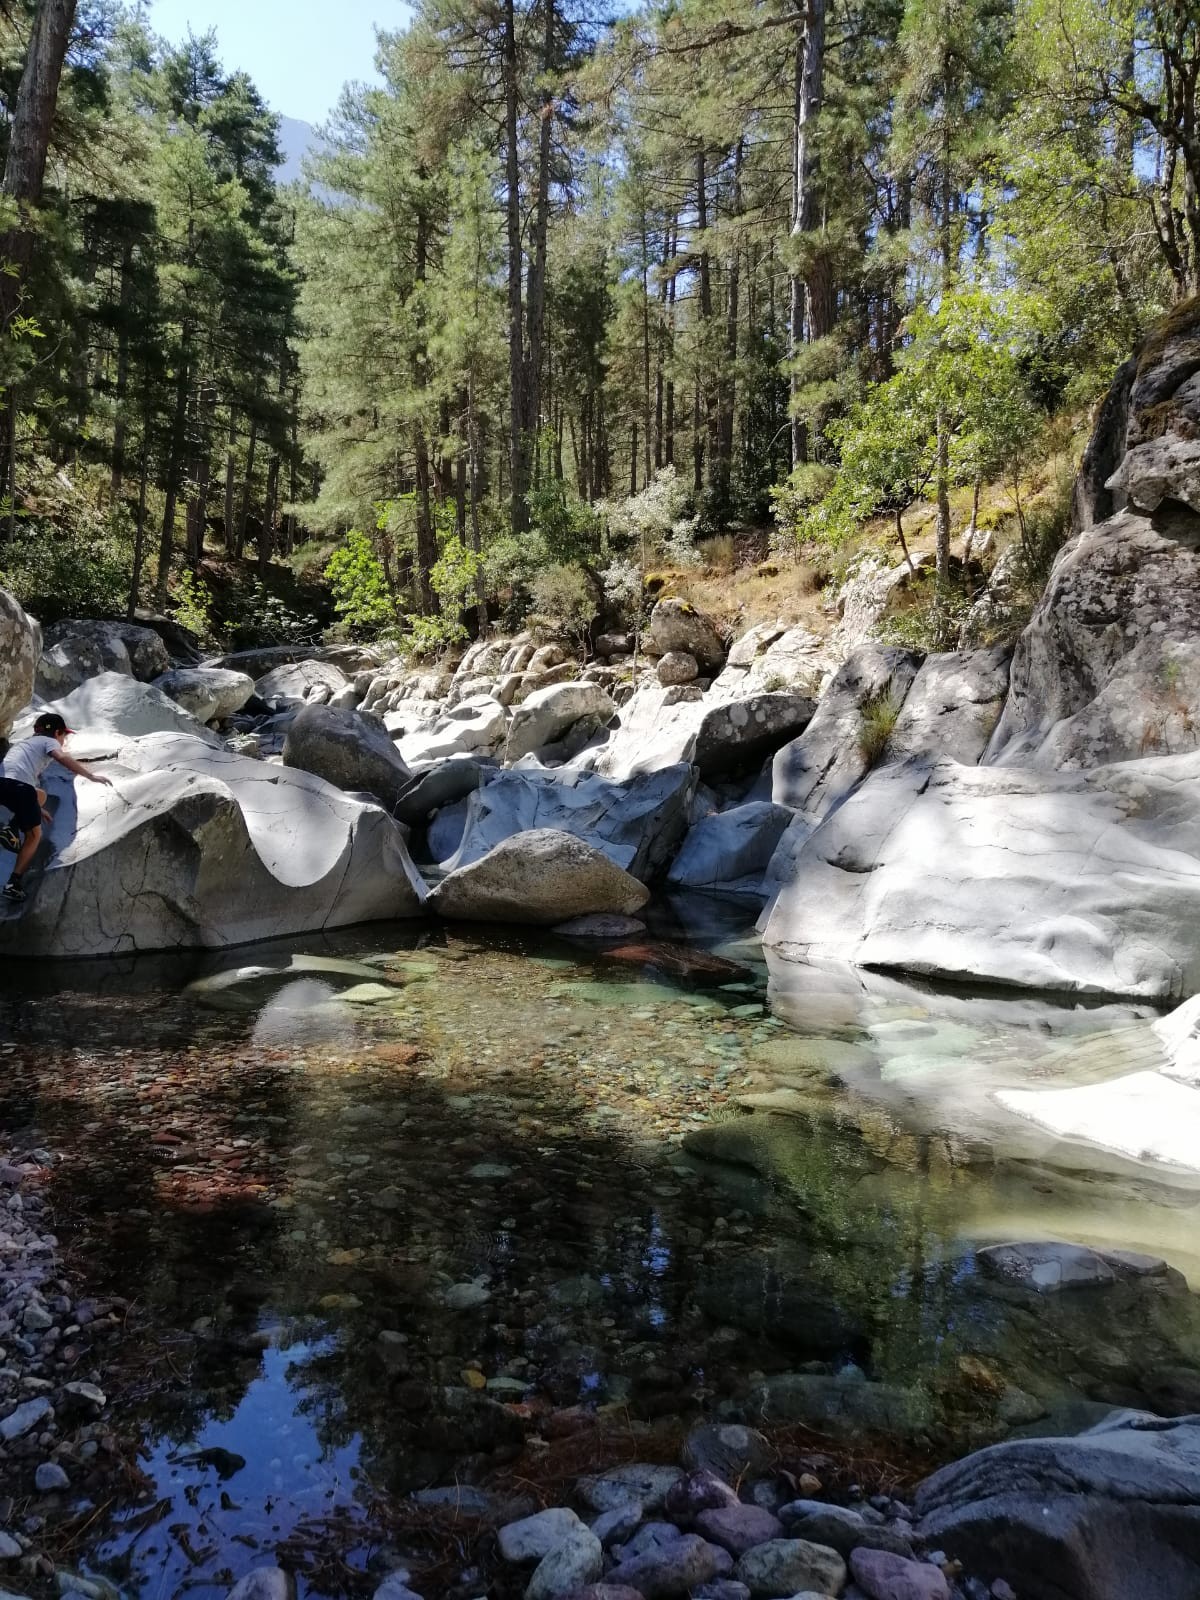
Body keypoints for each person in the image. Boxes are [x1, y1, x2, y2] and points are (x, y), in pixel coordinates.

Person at [0, 713, 113, 903]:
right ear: (57, 732)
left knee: (40, 796)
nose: (64, 741)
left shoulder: (25, 745)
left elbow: (17, 786)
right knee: (34, 836)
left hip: (5, 785)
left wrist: (38, 809)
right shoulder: (48, 742)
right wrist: (90, 776)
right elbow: (61, 757)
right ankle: (13, 883)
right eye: (64, 736)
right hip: (20, 789)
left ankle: (11, 829)